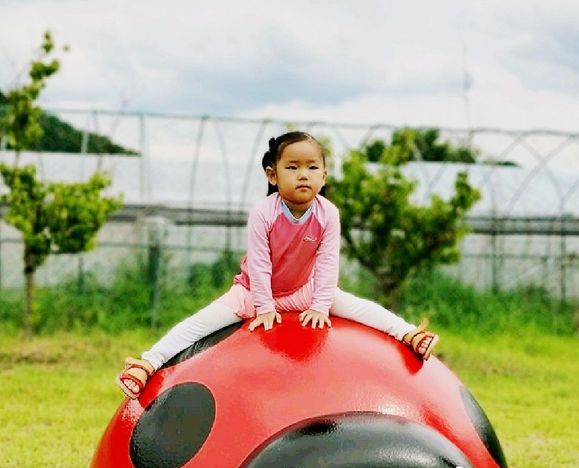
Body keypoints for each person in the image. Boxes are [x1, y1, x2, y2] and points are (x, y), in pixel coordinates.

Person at [117, 131, 439, 399]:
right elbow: (258, 264)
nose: (303, 174)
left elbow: (328, 264)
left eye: (313, 168)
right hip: (252, 293)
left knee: (362, 308)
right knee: (198, 325)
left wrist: (320, 305)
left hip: (304, 290)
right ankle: (146, 364)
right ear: (272, 175)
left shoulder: (328, 214)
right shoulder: (263, 213)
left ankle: (409, 334)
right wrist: (264, 306)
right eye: (293, 167)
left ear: (324, 175)